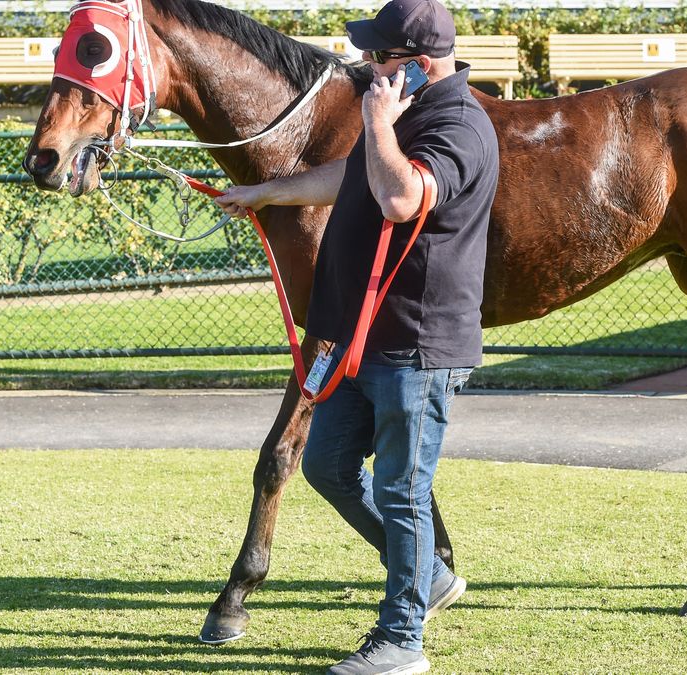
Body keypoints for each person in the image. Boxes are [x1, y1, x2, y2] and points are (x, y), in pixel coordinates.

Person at [214, 0, 499, 672]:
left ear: (418, 65)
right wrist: (268, 193)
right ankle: (425, 575)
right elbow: (354, 176)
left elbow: (402, 196)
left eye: (378, 57)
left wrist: (376, 120)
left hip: (417, 347)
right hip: (365, 341)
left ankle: (402, 640)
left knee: (402, 487)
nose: (366, 66)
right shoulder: (412, 114)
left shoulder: (461, 126)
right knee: (328, 465)